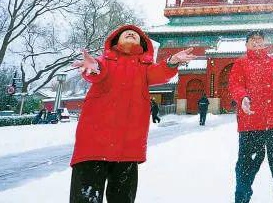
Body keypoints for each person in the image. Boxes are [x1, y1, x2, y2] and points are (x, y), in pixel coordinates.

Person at [69, 25, 196, 203]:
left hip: (128, 147)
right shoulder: (105, 61)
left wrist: (172, 62)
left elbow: (161, 72)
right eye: (126, 33)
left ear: (143, 44)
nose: (131, 33)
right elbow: (97, 71)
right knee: (86, 198)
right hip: (93, 144)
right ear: (115, 40)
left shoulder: (145, 67)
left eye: (136, 34)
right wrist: (94, 67)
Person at [229, 30, 273, 203]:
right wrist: (242, 97)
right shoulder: (240, 63)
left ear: (265, 43)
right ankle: (241, 199)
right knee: (245, 169)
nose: (257, 42)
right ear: (247, 45)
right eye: (253, 40)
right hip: (250, 124)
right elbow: (235, 85)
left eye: (260, 40)